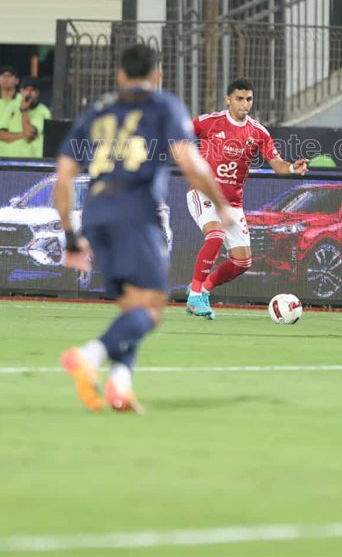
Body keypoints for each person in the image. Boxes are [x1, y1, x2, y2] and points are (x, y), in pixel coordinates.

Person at [56, 44, 235, 413]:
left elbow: (63, 178)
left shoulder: (97, 112)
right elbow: (191, 164)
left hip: (95, 215)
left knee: (132, 307)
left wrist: (71, 236)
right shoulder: (163, 105)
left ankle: (120, 386)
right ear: (157, 76)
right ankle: (88, 357)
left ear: (120, 75)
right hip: (135, 213)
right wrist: (221, 204)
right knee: (152, 308)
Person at [185, 78, 309, 320]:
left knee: (242, 262)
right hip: (204, 192)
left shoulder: (258, 132)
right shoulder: (210, 122)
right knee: (216, 235)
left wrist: (292, 168)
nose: (244, 104)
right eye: (239, 99)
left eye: (248, 99)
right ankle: (194, 297)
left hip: (232, 203)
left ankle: (203, 289)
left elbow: (277, 164)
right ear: (228, 99)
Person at [13, 77, 52, 159]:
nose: (29, 93)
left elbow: (28, 135)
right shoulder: (13, 107)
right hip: (11, 159)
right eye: (26, 89)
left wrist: (24, 110)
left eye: (32, 90)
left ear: (38, 93)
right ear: (21, 91)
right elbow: (1, 134)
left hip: (33, 161)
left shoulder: (44, 112)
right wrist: (21, 135)